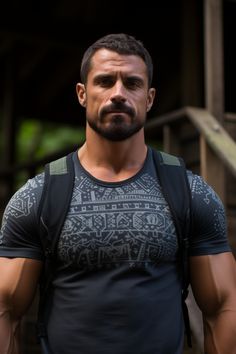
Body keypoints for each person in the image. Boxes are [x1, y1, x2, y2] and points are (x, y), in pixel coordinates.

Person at [0, 33, 236, 354]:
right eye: (105, 81)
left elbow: (223, 307)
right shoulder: (38, 197)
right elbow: (5, 311)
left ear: (149, 98)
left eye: (133, 84)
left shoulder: (189, 191)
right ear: (82, 94)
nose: (118, 94)